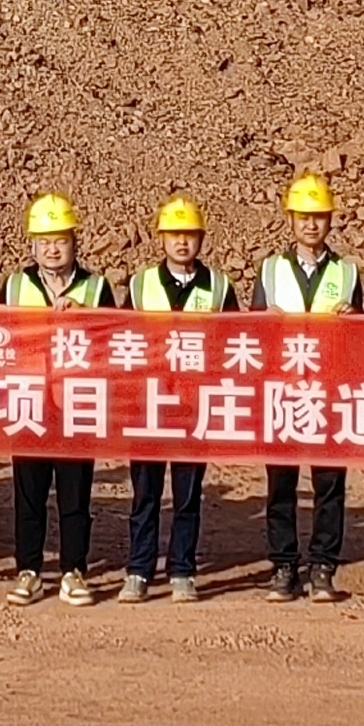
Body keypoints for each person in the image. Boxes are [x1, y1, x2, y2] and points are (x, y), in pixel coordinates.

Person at [251, 171, 359, 600]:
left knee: (329, 483)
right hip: (283, 390)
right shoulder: (271, 270)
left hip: (329, 392)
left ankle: (323, 566)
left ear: (330, 221)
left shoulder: (348, 272)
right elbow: (253, 334)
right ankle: (283, 566)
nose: (311, 224)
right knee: (281, 483)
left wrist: (355, 320)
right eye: (303, 216)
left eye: (318, 217)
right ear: (290, 220)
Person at [3, 193, 104, 606]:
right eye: (44, 241)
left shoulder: (96, 287)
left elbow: (118, 341)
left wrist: (84, 315)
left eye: (60, 239)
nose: (52, 248)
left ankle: (73, 570)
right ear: (32, 245)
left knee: (74, 493)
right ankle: (28, 570)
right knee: (28, 492)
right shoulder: (16, 285)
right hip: (29, 400)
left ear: (74, 242)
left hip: (77, 402)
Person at [122, 196, 224, 603]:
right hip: (149, 403)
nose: (182, 242)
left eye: (189, 235)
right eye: (174, 234)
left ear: (201, 239)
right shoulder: (140, 284)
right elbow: (120, 340)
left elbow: (235, 341)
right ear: (161, 239)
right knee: (145, 494)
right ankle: (139, 570)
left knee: (187, 494)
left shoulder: (218, 285)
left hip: (192, 405)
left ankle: (182, 569)